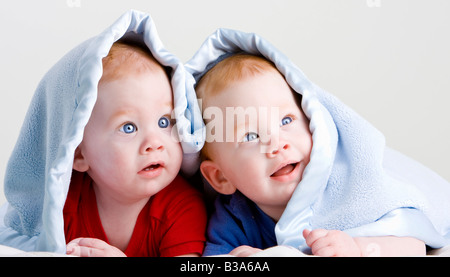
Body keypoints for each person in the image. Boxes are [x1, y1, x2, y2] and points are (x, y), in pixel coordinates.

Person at [196, 53, 426, 257]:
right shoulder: (236, 217)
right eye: (250, 136)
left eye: (286, 120)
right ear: (221, 177)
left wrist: (358, 248)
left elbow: (416, 243)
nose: (277, 144)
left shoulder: (350, 189)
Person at [63, 41, 207, 257]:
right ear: (79, 153)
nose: (154, 142)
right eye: (128, 128)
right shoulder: (64, 205)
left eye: (164, 122)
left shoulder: (182, 208)